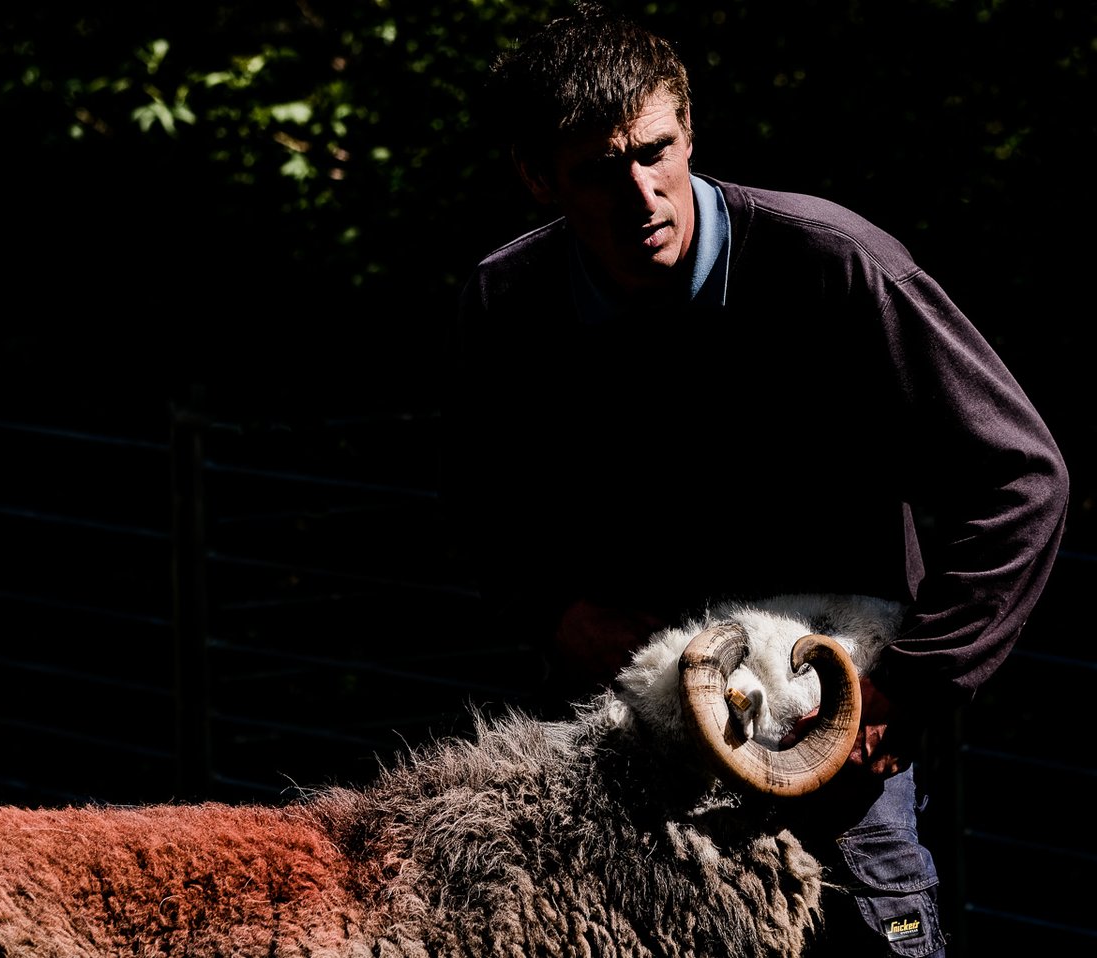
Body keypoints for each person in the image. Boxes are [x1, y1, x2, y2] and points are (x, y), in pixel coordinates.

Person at [445, 5, 1069, 957]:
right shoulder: (505, 303)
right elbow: (482, 506)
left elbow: (1023, 478)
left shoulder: (839, 269)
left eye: (656, 150)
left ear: (689, 132)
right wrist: (552, 612)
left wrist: (914, 680)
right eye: (598, 170)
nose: (641, 191)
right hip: (624, 762)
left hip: (828, 750)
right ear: (537, 177)